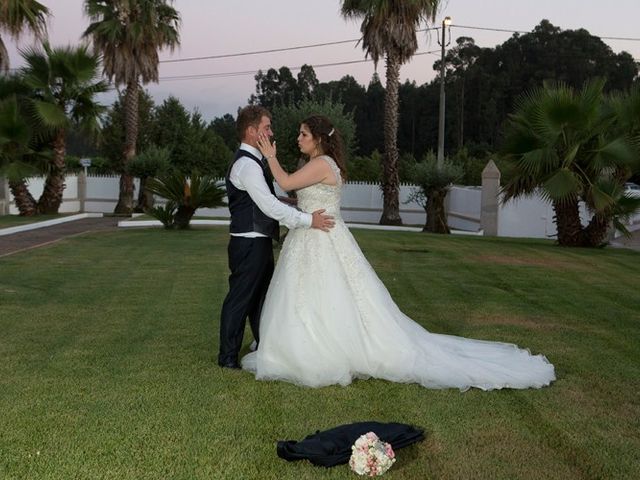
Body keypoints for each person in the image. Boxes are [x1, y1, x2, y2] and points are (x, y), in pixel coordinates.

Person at [241, 115, 556, 390]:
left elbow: (284, 182)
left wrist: (269, 155)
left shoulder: (321, 164)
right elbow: (296, 192)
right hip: (314, 233)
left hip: (319, 237)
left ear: (320, 140)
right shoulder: (322, 164)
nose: (298, 139)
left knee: (322, 293)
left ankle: (321, 350)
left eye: (303, 134)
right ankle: (303, 343)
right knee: (317, 294)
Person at [218, 106, 335, 370]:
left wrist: (294, 203)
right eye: (266, 127)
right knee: (240, 299)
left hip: (256, 241)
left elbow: (268, 200)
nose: (271, 132)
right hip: (248, 242)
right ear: (251, 131)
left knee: (261, 299)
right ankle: (227, 357)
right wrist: (308, 220)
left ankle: (266, 346)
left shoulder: (253, 163)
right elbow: (268, 206)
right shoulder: (247, 165)